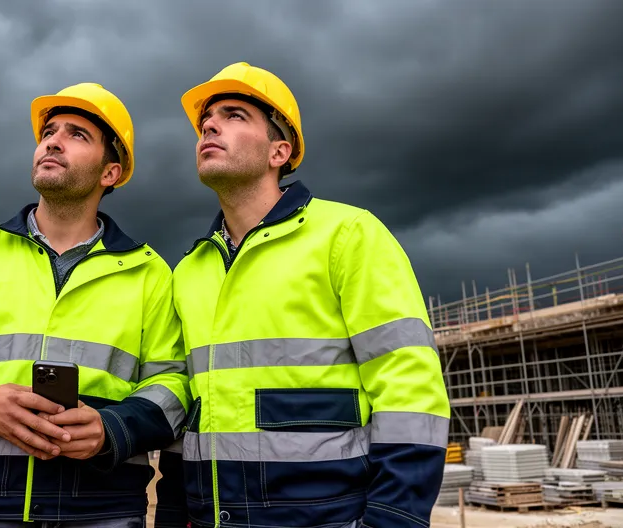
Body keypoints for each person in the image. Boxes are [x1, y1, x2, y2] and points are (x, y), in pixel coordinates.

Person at [155, 62, 451, 528]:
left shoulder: (349, 235)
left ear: (280, 151)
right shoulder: (189, 272)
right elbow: (189, 414)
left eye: (234, 115)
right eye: (206, 120)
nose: (209, 124)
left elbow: (410, 393)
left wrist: (393, 519)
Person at [0, 82, 189, 527]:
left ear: (111, 172)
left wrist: (113, 428)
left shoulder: (150, 274)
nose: (52, 141)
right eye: (49, 131)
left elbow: (175, 382)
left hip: (101, 512)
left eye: (77, 134)